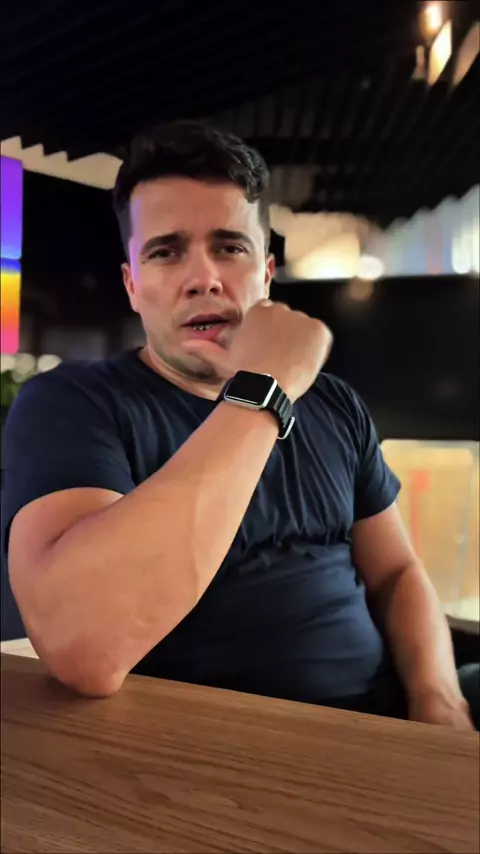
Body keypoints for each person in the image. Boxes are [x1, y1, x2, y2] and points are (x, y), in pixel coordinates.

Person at [2, 121, 475, 730]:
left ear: (266, 274)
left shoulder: (332, 404)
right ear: (132, 285)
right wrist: (262, 391)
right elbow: (83, 646)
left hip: (387, 721)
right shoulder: (75, 404)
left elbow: (397, 574)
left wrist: (439, 701)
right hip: (220, 752)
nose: (204, 277)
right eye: (166, 252)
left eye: (229, 247)